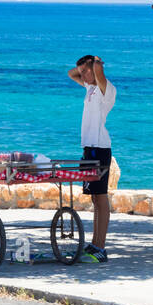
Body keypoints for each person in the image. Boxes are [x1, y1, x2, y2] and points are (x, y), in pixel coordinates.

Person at [67, 54, 116, 261]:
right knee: (94, 198)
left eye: (86, 71)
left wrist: (96, 63)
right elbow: (71, 74)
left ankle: (101, 247)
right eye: (83, 72)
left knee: (101, 197)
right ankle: (95, 243)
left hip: (100, 148)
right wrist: (84, 69)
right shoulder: (90, 89)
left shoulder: (106, 89)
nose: (83, 75)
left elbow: (99, 74)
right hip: (88, 149)